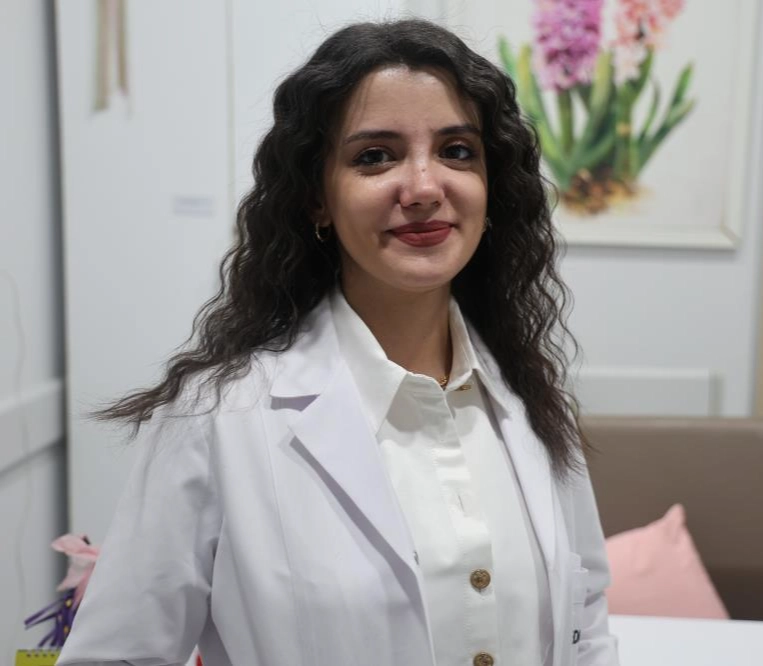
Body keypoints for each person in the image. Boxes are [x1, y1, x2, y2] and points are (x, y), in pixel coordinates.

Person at [57, 17, 619, 666]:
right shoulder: (216, 420)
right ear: (317, 199)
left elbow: (584, 624)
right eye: (374, 156)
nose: (424, 187)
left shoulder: (527, 397)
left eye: (457, 151)